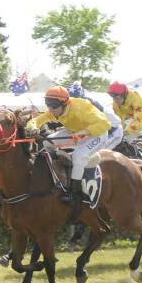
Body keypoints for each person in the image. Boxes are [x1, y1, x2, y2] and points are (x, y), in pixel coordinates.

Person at [28, 85, 121, 220]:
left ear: (64, 103)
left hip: (97, 134)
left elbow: (105, 124)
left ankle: (75, 193)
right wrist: (33, 127)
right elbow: (36, 120)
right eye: (48, 105)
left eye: (53, 106)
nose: (50, 109)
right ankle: (57, 174)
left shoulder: (81, 106)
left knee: (78, 156)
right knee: (47, 143)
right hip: (75, 132)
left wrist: (84, 132)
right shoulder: (55, 110)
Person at [108, 81, 142, 162]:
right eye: (113, 97)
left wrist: (126, 131)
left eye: (117, 97)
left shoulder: (137, 99)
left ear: (124, 94)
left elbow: (139, 120)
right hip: (136, 117)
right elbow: (119, 120)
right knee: (124, 139)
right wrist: (120, 132)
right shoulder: (115, 104)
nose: (115, 100)